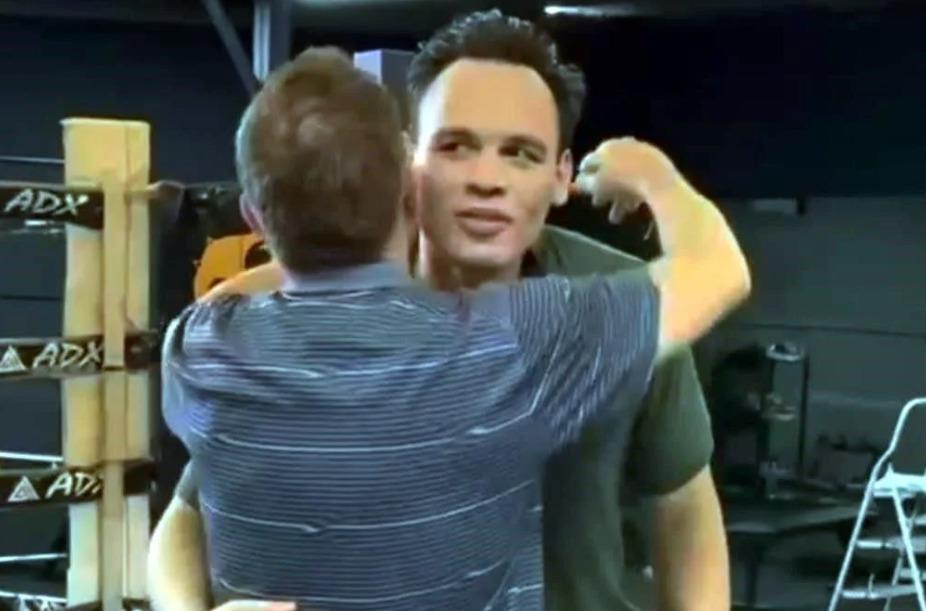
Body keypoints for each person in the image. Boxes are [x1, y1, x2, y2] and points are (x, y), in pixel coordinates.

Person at [150, 11, 741, 611]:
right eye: (456, 146)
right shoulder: (303, 332)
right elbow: (187, 514)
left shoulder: (616, 297)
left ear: (562, 176)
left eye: (521, 154)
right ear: (411, 163)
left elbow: (684, 507)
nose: (487, 179)